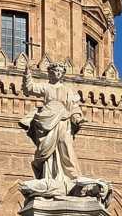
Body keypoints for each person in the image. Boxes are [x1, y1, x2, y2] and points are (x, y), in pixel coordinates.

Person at [19, 62, 85, 197]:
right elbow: (29, 88)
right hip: (47, 120)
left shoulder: (68, 90)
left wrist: (77, 118)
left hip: (62, 120)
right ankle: (51, 176)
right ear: (50, 72)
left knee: (65, 145)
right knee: (47, 152)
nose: (58, 73)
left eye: (60, 71)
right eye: (55, 70)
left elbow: (74, 106)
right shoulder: (46, 87)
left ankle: (70, 176)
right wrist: (27, 74)